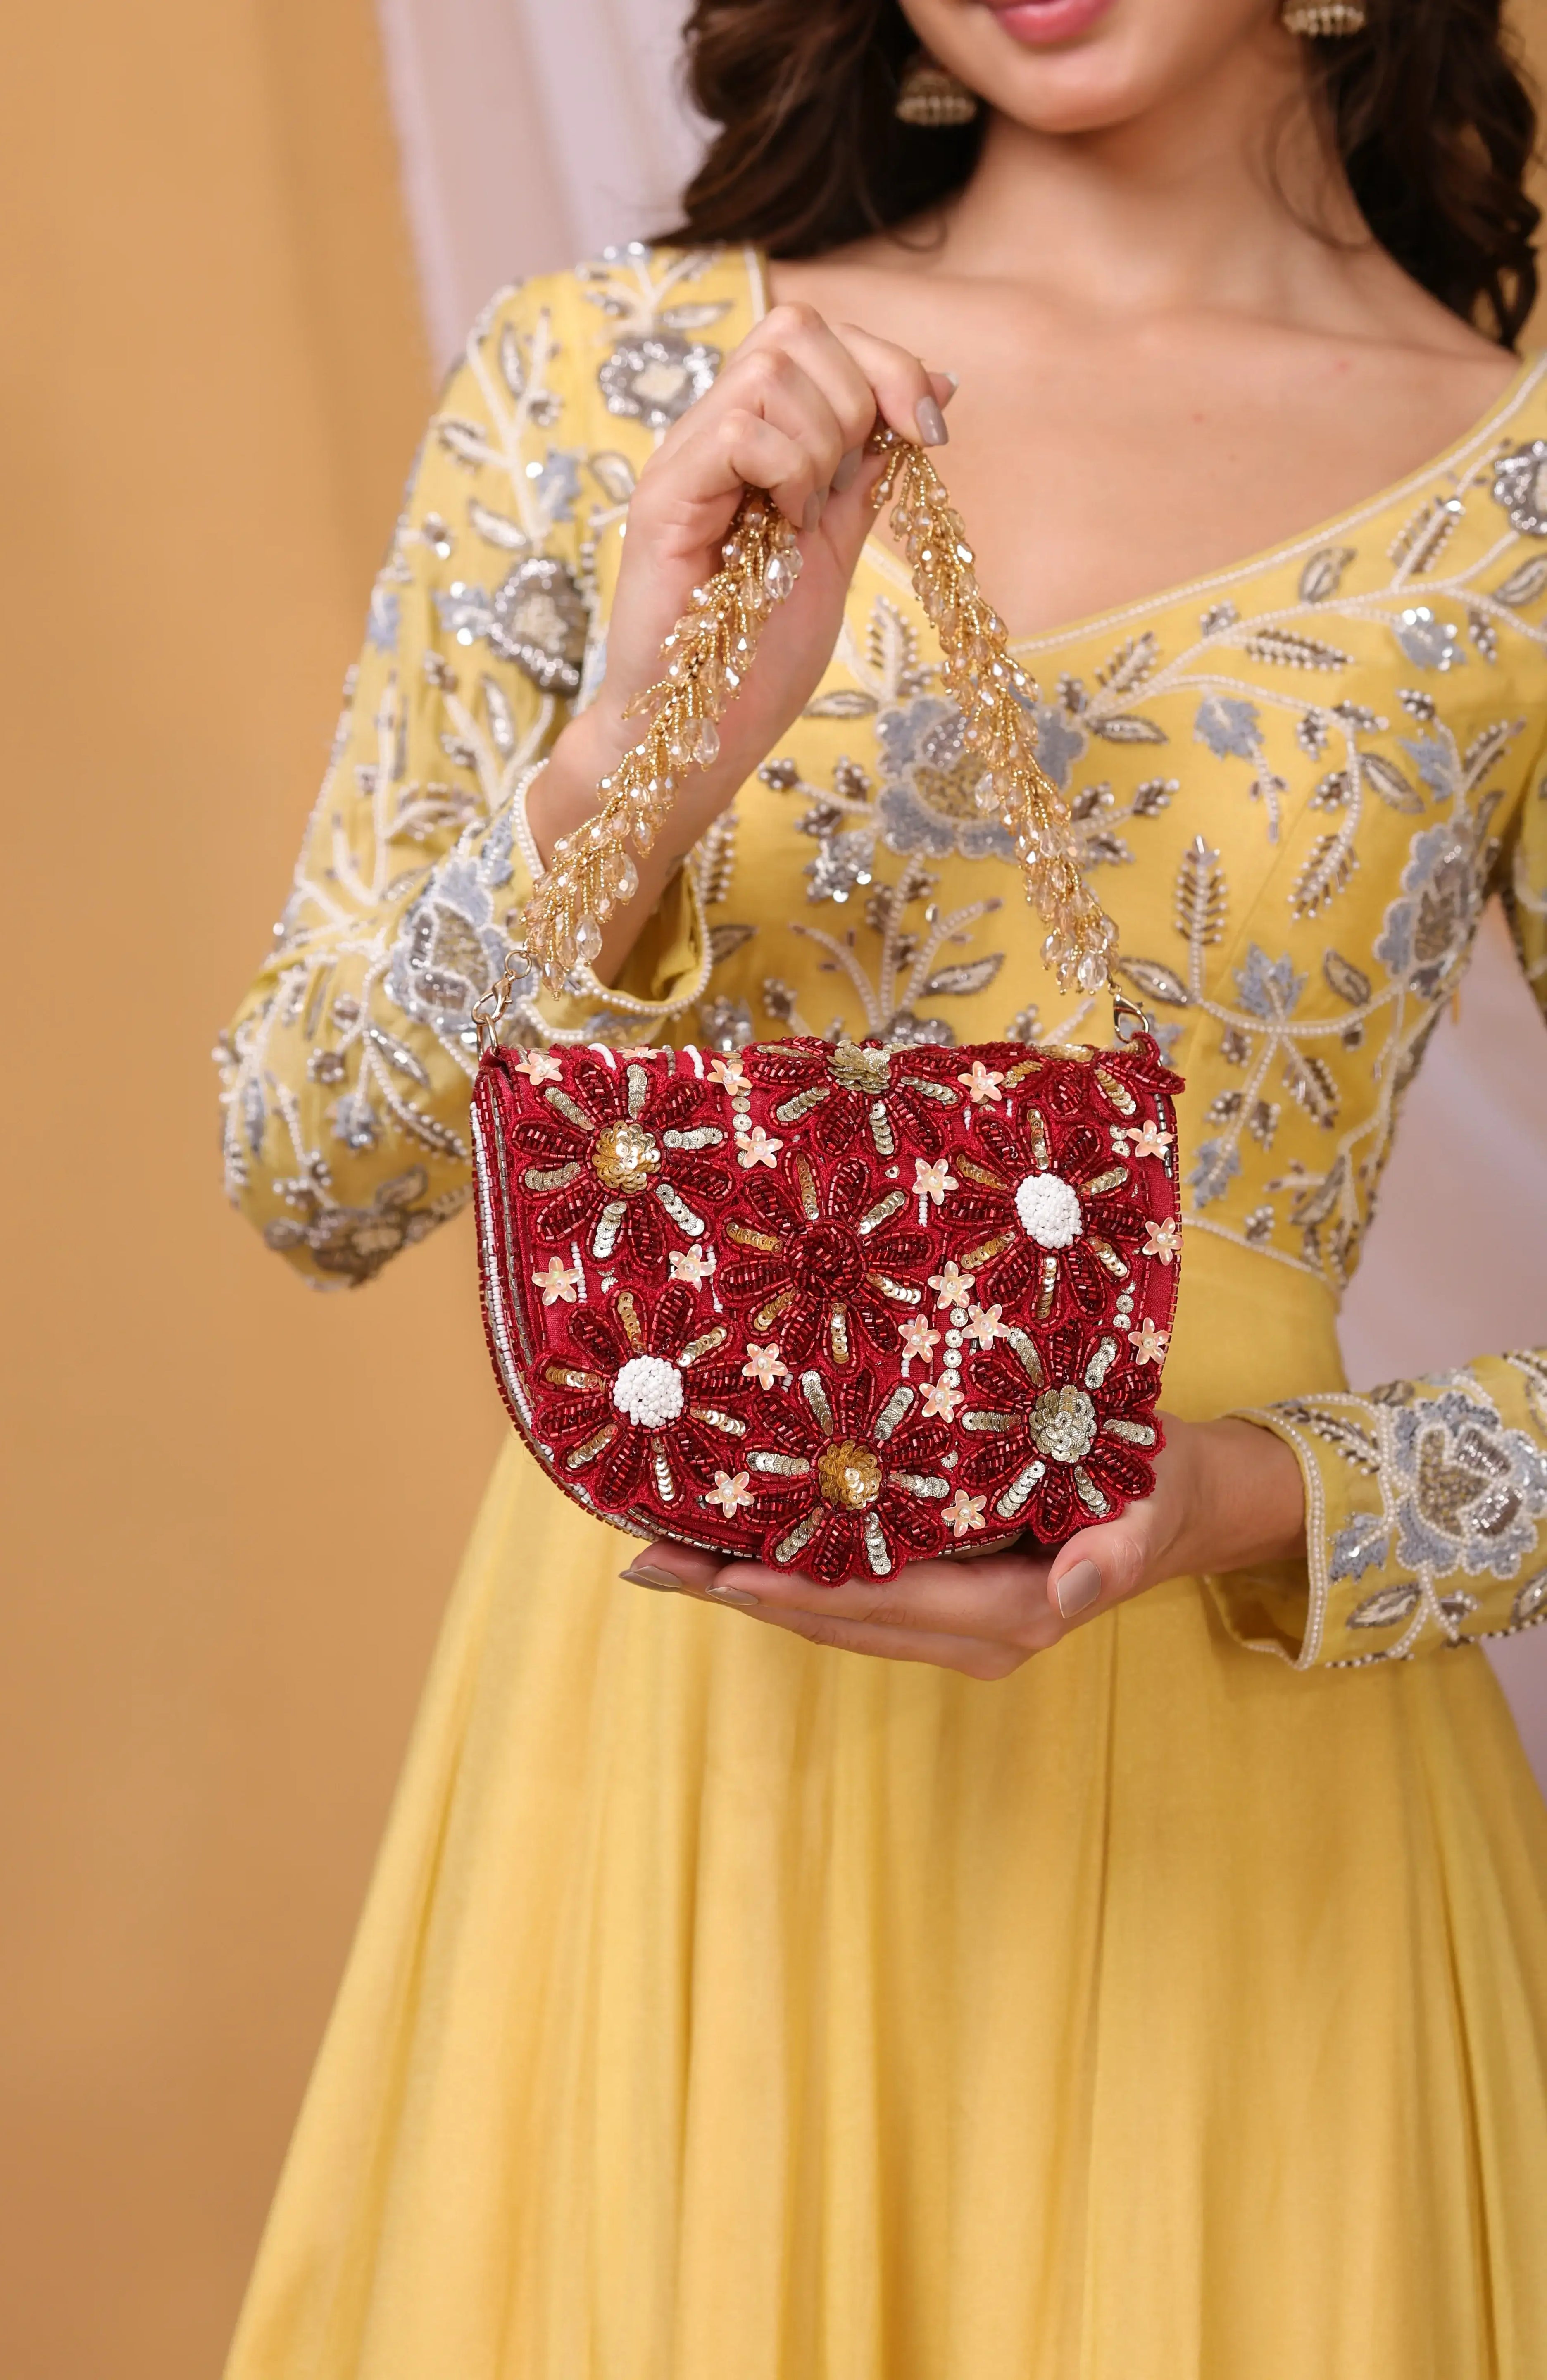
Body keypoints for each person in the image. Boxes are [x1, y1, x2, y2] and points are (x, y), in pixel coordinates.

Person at [217, 0, 1547, 2370]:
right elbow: (311, 1164)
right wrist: (644, 757)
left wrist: (1253, 1499)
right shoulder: (611, 385)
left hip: (1245, 1853)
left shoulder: (1517, 499)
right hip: (668, 1802)